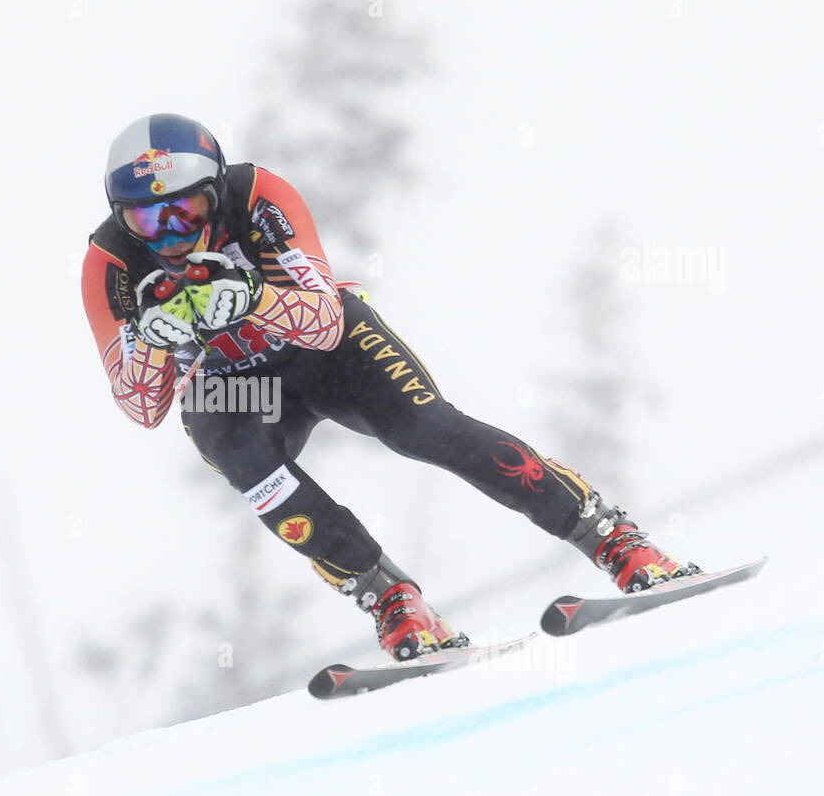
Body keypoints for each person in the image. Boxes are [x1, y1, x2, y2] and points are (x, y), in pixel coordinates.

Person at [80, 113, 700, 661]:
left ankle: (611, 537)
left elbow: (323, 323)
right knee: (249, 466)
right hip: (237, 385)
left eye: (185, 210)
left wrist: (251, 296)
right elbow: (140, 407)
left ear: (216, 192)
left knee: (424, 429)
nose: (170, 234)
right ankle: (390, 599)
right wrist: (155, 346)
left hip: (323, 353)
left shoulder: (259, 195)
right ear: (121, 220)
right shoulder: (108, 263)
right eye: (147, 219)